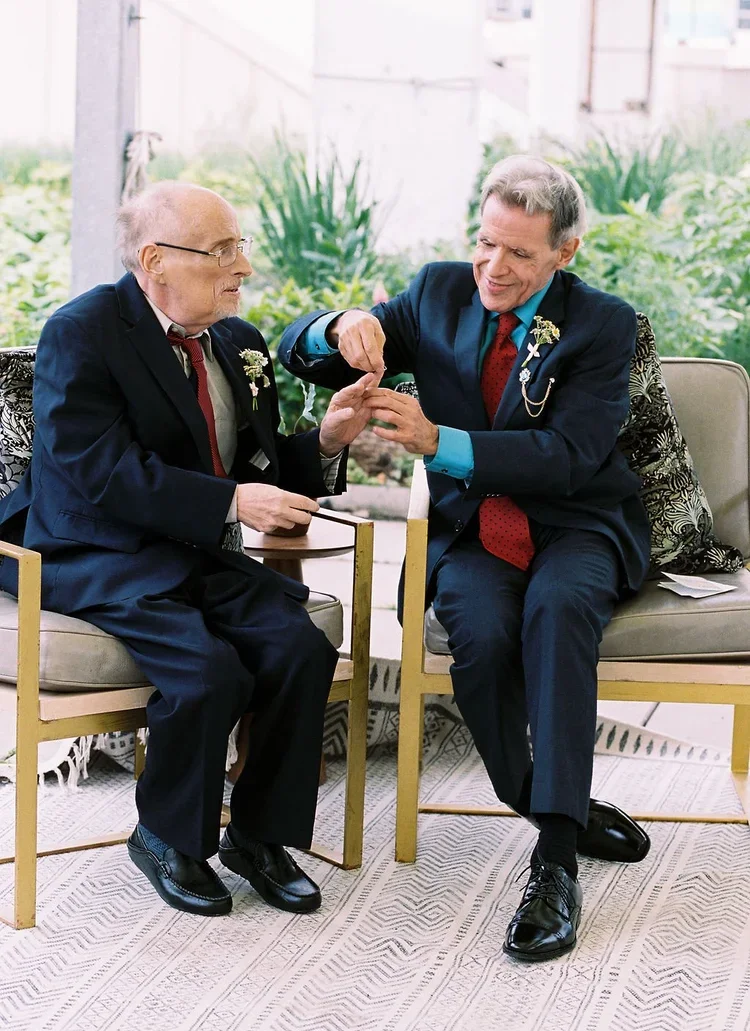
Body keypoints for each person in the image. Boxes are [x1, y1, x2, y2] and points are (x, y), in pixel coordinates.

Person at [279, 155, 652, 962]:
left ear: (566, 253)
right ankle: (550, 799)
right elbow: (299, 356)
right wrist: (337, 325)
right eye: (486, 243)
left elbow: (572, 454)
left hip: (577, 523)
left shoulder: (603, 323)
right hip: (474, 528)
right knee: (479, 635)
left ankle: (553, 862)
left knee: (558, 611)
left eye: (519, 253)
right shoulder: (438, 292)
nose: (494, 266)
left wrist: (438, 441)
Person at [0, 182, 377, 918]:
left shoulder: (237, 343)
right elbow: (98, 471)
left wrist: (328, 439)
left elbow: (255, 471)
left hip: (197, 548)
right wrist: (231, 503)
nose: (245, 266)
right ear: (155, 260)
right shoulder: (83, 331)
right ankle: (168, 838)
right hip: (96, 550)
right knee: (207, 673)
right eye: (223, 251)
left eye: (240, 245)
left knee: (298, 649)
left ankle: (259, 838)